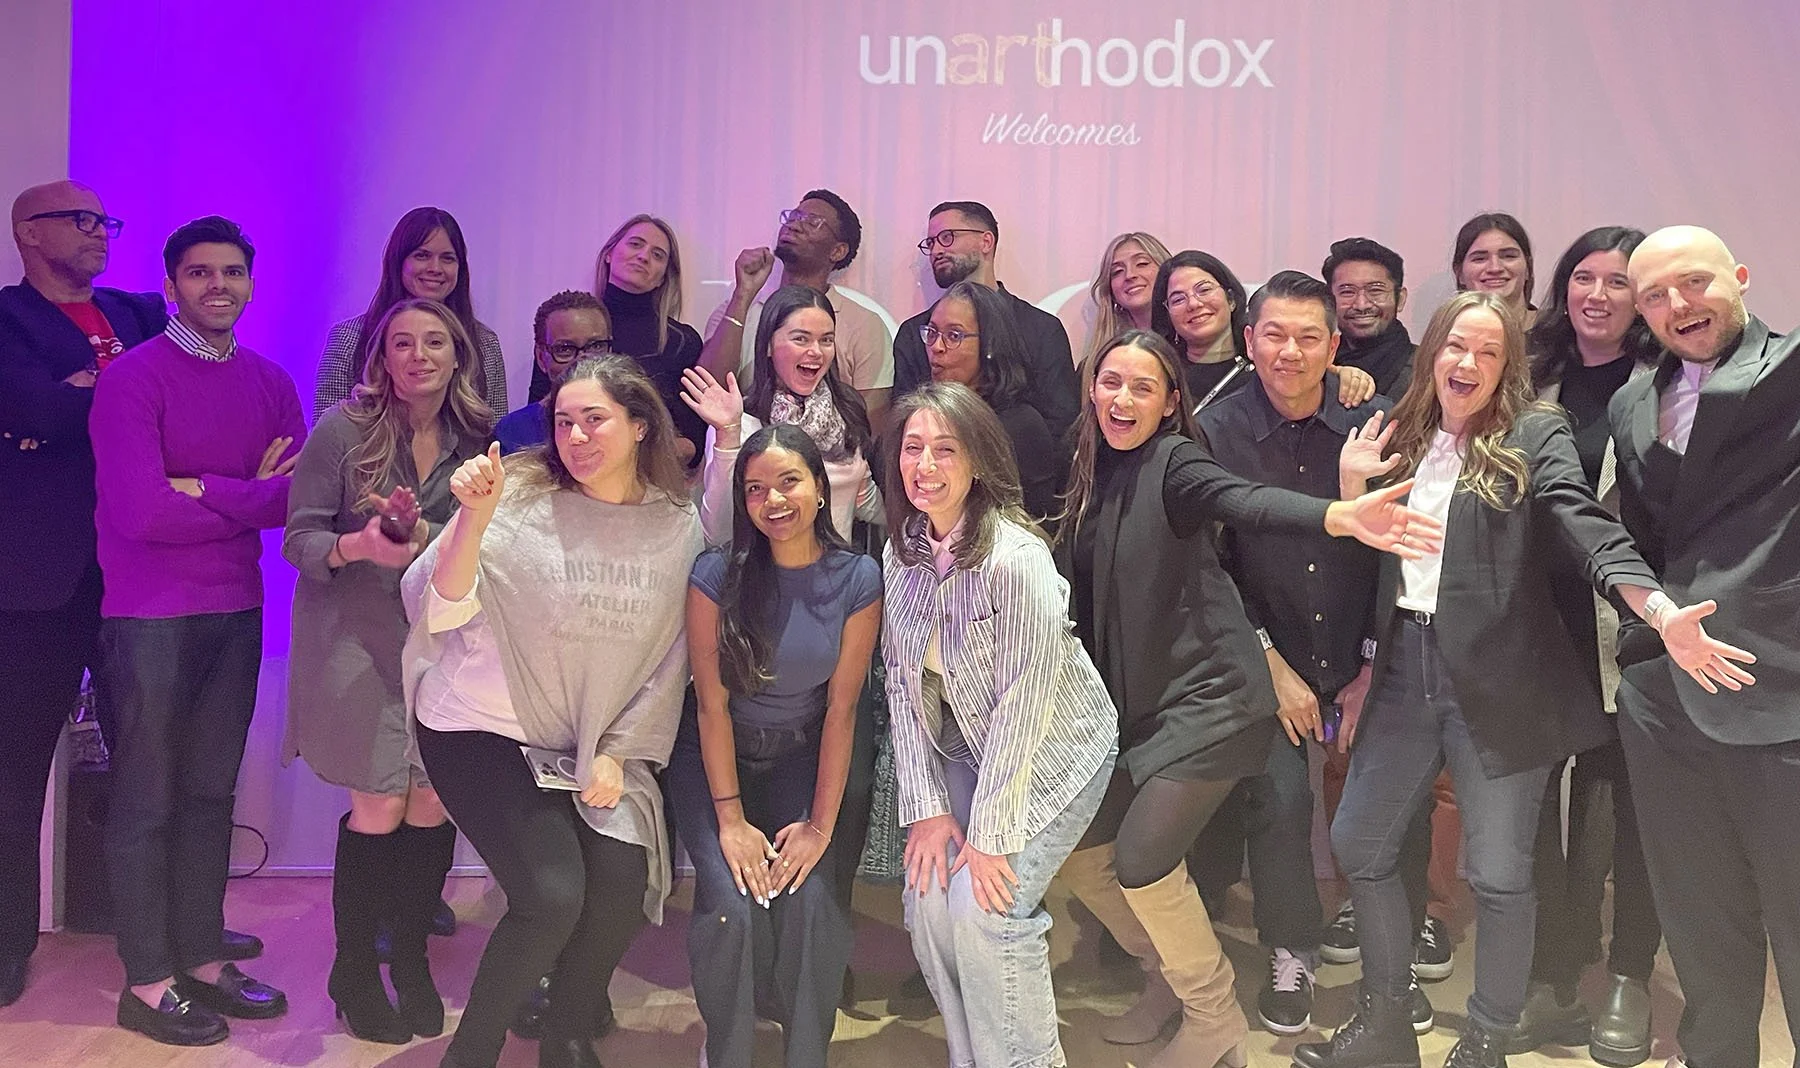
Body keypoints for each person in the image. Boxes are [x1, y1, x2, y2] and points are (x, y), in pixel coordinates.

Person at [1296, 291, 1753, 1068]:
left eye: (1488, 351)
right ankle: (1385, 1024)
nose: (1467, 362)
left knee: (1502, 874)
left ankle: (1486, 1040)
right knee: (1360, 841)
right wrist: (1349, 495)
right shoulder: (1396, 433)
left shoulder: (1533, 431)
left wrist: (1654, 605)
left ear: (1507, 366)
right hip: (1406, 667)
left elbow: (1582, 521)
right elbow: (1366, 563)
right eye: (1456, 345)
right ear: (1432, 351)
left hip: (1503, 681)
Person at [1054, 328, 1443, 1068]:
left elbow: (1244, 499)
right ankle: (1168, 982)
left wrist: (1336, 515)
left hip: (1214, 701)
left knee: (1140, 859)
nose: (1123, 399)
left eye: (1143, 387)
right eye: (1111, 382)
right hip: (1140, 706)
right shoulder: (1094, 469)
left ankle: (1213, 1017)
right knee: (1082, 851)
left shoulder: (1174, 463)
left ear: (1171, 402)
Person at [403, 355, 701, 1068]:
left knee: (621, 886)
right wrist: (472, 519)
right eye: (564, 422)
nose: (576, 436)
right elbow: (435, 607)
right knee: (552, 894)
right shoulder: (515, 493)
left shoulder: (675, 525)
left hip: (588, 743)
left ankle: (565, 1033)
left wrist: (620, 751)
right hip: (476, 727)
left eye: (595, 419)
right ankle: (470, 1055)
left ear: (640, 426)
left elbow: (669, 658)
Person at [90, 215, 305, 1046]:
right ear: (172, 284)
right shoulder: (132, 379)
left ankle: (203, 959)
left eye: (232, 272)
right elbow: (140, 512)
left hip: (237, 609)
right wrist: (242, 495)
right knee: (147, 798)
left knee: (212, 793)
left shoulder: (270, 382)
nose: (219, 285)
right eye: (200, 272)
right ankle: (147, 981)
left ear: (250, 283)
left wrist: (202, 487)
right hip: (147, 614)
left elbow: (290, 501)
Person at [882, 382, 1118, 1068]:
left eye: (945, 449)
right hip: (966, 747)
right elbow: (901, 685)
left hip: (1055, 750)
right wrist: (927, 809)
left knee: (985, 912)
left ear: (978, 461)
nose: (925, 465)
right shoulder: (902, 551)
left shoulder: (1016, 559)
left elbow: (1025, 704)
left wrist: (989, 836)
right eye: (913, 448)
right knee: (928, 901)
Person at [1610, 225, 1797, 1068]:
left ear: (1740, 277)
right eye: (1654, 295)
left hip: (1785, 698)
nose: (1677, 305)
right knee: (1700, 927)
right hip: (1669, 708)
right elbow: (1648, 544)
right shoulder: (1631, 404)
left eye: (1693, 282)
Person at [283, 297, 493, 1044]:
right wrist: (359, 546)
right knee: (380, 804)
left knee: (433, 802)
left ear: (458, 355)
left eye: (435, 341)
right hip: (356, 638)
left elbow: (493, 542)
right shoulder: (342, 431)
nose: (419, 355)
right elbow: (300, 538)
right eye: (402, 342)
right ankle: (353, 970)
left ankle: (410, 962)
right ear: (381, 356)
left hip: (443, 647)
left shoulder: (482, 440)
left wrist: (426, 532)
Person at [1191, 271, 1389, 1036]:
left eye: (1309, 337)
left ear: (1335, 346)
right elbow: (1207, 567)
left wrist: (1371, 664)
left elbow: (1399, 557)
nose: (1290, 352)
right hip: (1262, 652)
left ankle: (1393, 959)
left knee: (1385, 802)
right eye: (1273, 334)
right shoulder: (1215, 433)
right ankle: (1291, 947)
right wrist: (1268, 663)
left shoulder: (1370, 421)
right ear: (1248, 341)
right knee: (1278, 800)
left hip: (1362, 650)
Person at [0, 180, 167, 1008]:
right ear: (28, 232)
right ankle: (7, 946)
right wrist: (104, 401)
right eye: (81, 219)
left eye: (106, 220)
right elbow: (32, 409)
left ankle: (170, 936)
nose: (101, 231)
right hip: (39, 580)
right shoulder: (5, 319)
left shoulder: (140, 313)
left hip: (140, 571)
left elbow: (181, 401)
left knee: (157, 763)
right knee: (14, 771)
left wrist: (78, 395)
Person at [668, 424, 882, 1068]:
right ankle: (728, 1051)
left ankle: (806, 1054)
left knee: (810, 898)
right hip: (715, 755)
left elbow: (842, 712)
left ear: (819, 487)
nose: (773, 500)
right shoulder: (714, 575)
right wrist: (731, 819)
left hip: (799, 754)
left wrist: (819, 827)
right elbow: (710, 705)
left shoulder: (858, 578)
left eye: (789, 481)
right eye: (755, 488)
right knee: (732, 905)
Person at [1511, 226, 1664, 1064]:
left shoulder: (1670, 381)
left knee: (1631, 812)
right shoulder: (1528, 377)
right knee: (1538, 813)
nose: (1597, 294)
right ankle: (1553, 974)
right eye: (1583, 278)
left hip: (1632, 628)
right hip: (1538, 625)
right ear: (1561, 287)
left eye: (1617, 280)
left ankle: (1630, 974)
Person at [684, 285, 880, 544]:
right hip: (763, 568)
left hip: (835, 567)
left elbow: (866, 500)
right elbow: (718, 532)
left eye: (826, 340)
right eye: (801, 339)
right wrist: (728, 434)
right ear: (768, 345)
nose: (816, 351)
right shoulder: (740, 422)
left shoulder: (846, 413)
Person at [700, 189, 895, 424]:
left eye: (812, 222)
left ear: (838, 251)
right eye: (793, 217)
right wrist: (742, 295)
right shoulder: (737, 310)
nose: (794, 226)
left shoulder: (865, 325)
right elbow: (707, 393)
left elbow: (870, 426)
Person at [892, 200, 1080, 442]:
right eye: (931, 242)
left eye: (947, 237)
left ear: (986, 241)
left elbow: (1062, 427)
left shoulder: (1042, 329)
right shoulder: (913, 334)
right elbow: (903, 422)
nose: (937, 250)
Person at [314, 206, 508, 420]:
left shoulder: (485, 343)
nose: (435, 268)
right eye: (422, 255)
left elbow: (495, 428)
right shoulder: (349, 339)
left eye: (447, 258)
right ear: (398, 262)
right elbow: (325, 431)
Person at [1152, 250, 1377, 415]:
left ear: (1231, 299)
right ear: (1167, 312)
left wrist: (1345, 377)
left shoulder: (1274, 361)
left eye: (1204, 290)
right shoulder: (1162, 374)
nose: (1194, 304)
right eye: (1178, 299)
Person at [920, 280, 1064, 521]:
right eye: (932, 333)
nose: (936, 347)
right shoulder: (927, 416)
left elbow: (1038, 520)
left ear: (989, 345)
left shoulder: (1020, 425)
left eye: (954, 335)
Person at [592, 213, 706, 465]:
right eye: (635, 244)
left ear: (663, 277)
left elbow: (693, 443)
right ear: (609, 253)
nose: (643, 256)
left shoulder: (682, 341)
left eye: (658, 255)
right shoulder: (568, 324)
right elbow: (537, 413)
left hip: (651, 479)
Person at [496, 290, 613, 454]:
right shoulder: (513, 431)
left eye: (596, 346)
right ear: (541, 358)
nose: (582, 360)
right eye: (565, 349)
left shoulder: (630, 419)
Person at [1324, 237, 1415, 397]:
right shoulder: (1317, 369)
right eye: (1347, 292)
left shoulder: (1428, 371)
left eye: (1375, 290)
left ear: (1400, 299)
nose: (1361, 305)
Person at [1081, 231, 1173, 366]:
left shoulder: (1194, 350)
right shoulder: (1094, 366)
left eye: (1142, 264)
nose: (1129, 275)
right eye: (1117, 271)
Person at [1452, 213, 1536, 328]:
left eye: (1509, 256)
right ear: (1459, 273)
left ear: (1528, 268)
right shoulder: (1445, 335)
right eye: (1480, 259)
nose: (1495, 268)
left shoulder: (1557, 333)